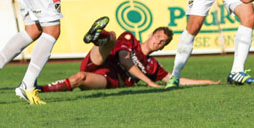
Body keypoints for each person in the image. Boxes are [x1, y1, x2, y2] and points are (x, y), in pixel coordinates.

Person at [40, 19, 219, 93]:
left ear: (162, 47)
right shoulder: (130, 39)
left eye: (162, 42)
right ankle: (97, 37)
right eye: (157, 37)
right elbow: (124, 60)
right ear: (150, 35)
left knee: (80, 77)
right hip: (100, 60)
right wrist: (149, 82)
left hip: (110, 78)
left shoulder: (152, 65)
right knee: (111, 36)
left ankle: (40, 89)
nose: (158, 42)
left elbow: (174, 80)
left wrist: (208, 82)